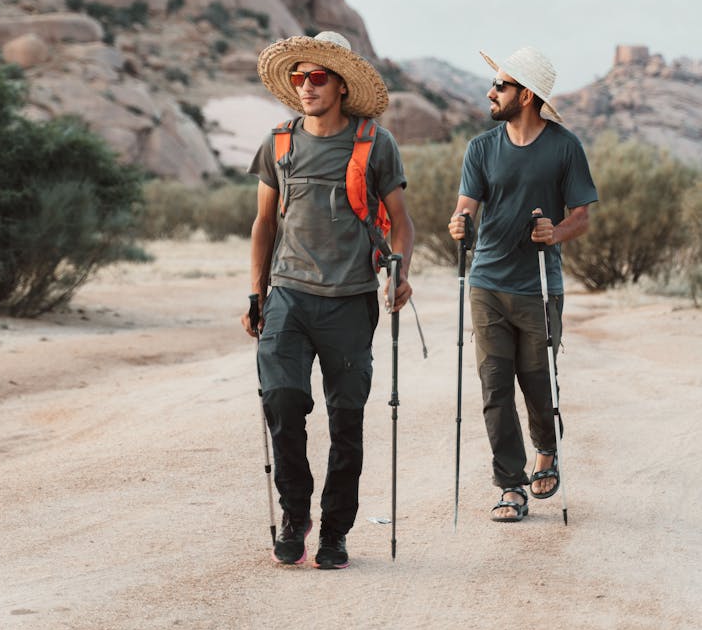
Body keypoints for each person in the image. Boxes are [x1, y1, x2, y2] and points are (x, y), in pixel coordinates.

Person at [242, 30, 414, 568]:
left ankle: (335, 533)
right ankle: (297, 514)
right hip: (289, 296)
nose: (306, 86)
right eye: (299, 77)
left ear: (341, 86)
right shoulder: (279, 143)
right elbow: (264, 223)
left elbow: (403, 223)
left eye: (318, 77)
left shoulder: (374, 144)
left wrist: (399, 273)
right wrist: (256, 292)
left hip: (351, 300)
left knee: (347, 419)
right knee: (283, 400)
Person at [448, 46, 597, 523]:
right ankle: (510, 484)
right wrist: (459, 224)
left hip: (539, 285)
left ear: (526, 95)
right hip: (488, 281)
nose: (490, 92)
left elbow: (582, 218)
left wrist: (556, 231)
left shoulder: (564, 146)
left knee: (537, 382)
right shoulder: (481, 148)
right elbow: (466, 208)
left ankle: (546, 452)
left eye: (501, 85)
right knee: (494, 386)